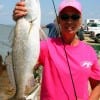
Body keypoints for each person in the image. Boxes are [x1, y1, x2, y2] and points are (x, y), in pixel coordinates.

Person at [13, 0, 100, 100]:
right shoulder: (46, 46)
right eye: (64, 17)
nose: (69, 21)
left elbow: (97, 85)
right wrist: (21, 22)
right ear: (58, 20)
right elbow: (22, 53)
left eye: (75, 17)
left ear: (80, 20)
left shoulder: (90, 52)